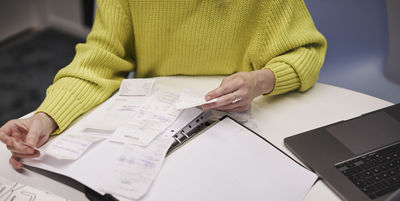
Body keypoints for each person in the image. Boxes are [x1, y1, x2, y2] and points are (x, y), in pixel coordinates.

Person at [0, 0, 327, 169]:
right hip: (154, 127)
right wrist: (45, 118)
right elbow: (99, 59)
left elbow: (305, 52)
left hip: (242, 125)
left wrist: (261, 81)